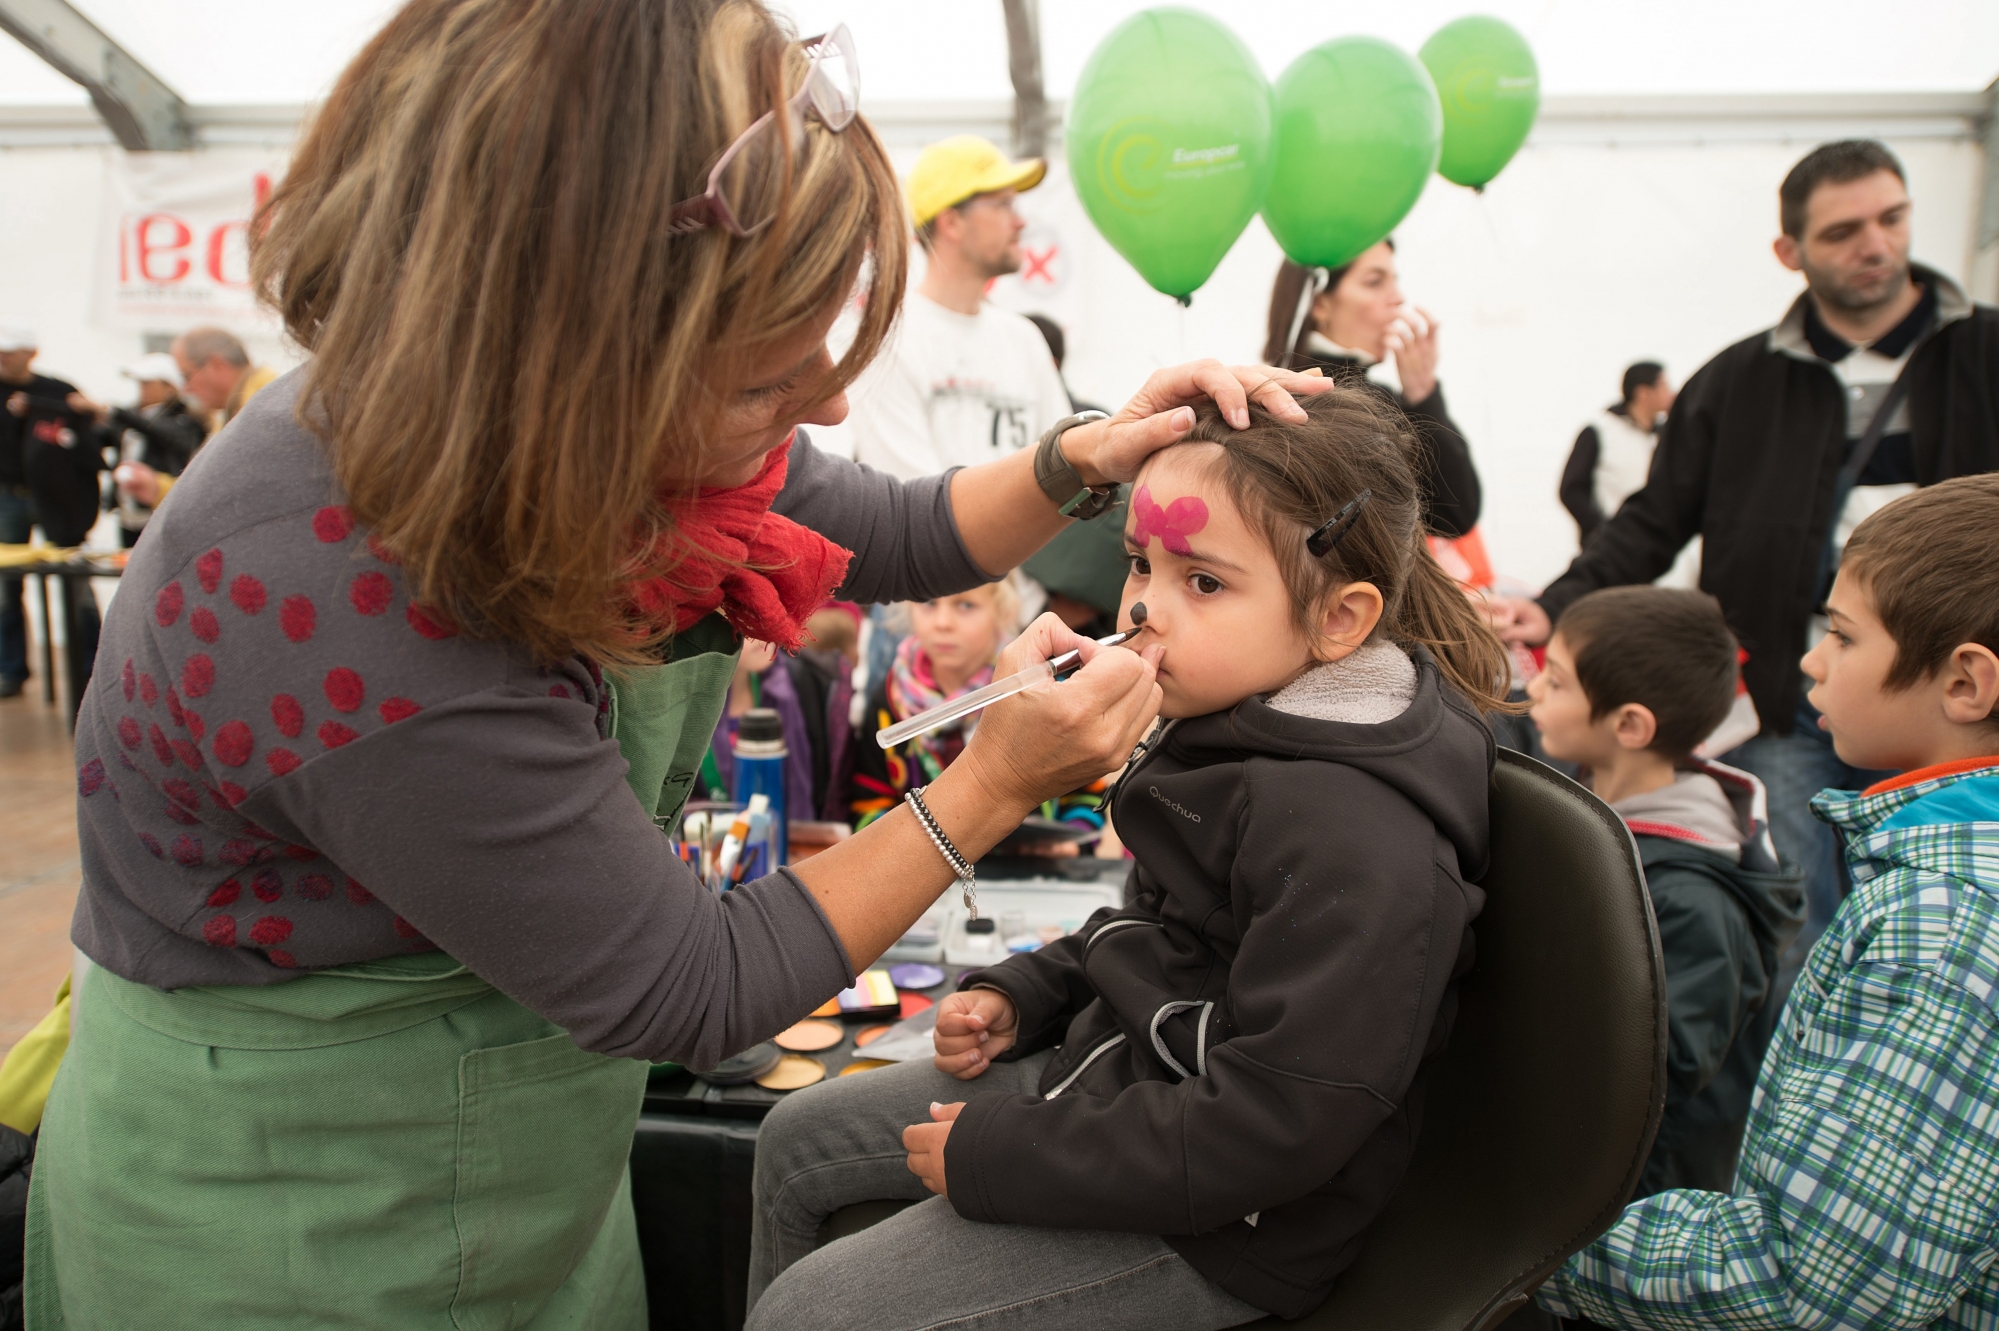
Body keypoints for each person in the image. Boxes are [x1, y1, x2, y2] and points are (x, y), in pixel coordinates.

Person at [25, 3, 1332, 1324]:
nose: (823, 401)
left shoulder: (619, 434)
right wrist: (992, 780)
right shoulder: (332, 594)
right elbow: (688, 983)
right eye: (765, 383)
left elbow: (887, 525)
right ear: (573, 365)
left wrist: (1082, 456)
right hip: (291, 1213)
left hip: (525, 1155)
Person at [746, 387, 1510, 1330]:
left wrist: (1012, 1156)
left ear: (1340, 620)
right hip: (1116, 1081)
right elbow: (1162, 933)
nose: (1144, 607)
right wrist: (1028, 991)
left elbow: (1276, 1123)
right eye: (1140, 564)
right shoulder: (1235, 722)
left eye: (1204, 582)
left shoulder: (1356, 839)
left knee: (809, 1312)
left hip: (1225, 1218)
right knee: (791, 1140)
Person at [1491, 139, 1999, 1003]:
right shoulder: (1735, 381)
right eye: (1842, 231)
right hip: (1785, 688)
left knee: (1952, 923)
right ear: (1789, 252)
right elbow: (1655, 516)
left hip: (1958, 704)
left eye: (1890, 218)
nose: (1874, 244)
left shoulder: (1985, 353)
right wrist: (1556, 604)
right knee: (1799, 925)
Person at [1538, 475, 1999, 1330]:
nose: (1812, 659)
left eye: (1842, 635)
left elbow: (1809, 1277)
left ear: (1966, 684)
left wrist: (1517, 1237)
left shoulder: (1943, 921)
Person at [1526, 587, 1802, 1206]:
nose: (1535, 689)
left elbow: (1658, 1070)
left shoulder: (1692, 898)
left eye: (1559, 681)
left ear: (1628, 725)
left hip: (1637, 1195)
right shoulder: (1585, 798)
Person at [844, 135, 1073, 479]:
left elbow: (1066, 474)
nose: (1020, 221)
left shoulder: (1025, 340)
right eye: (1003, 205)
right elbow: (912, 508)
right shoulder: (889, 344)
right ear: (950, 223)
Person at [1263, 244, 1482, 538]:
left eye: (1395, 280)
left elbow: (1456, 514)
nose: (1398, 298)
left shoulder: (1383, 398)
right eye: (1375, 282)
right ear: (1319, 304)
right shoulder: (1285, 401)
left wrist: (1423, 394)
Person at [848, 579, 1018, 827]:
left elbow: (1081, 786)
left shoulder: (1031, 688)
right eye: (928, 602)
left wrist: (1071, 843)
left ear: (1001, 611)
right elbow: (867, 805)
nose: (943, 623)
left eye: (966, 605)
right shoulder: (890, 698)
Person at [0, 329, 104, 700]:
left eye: (10, 352)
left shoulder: (57, 390)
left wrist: (85, 410)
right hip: (8, 497)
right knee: (5, 587)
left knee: (76, 577)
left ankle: (94, 667)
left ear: (30, 352)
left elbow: (92, 428)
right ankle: (9, 670)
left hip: (59, 498)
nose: (4, 358)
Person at [113, 327, 275, 514]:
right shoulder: (242, 409)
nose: (186, 389)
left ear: (217, 365)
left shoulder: (261, 414)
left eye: (186, 376)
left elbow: (232, 501)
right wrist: (157, 489)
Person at [66, 352, 209, 548]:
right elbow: (102, 439)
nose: (141, 389)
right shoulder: (131, 415)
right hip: (127, 510)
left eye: (147, 383)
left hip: (159, 509)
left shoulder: (183, 419)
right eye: (140, 384)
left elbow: (164, 435)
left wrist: (112, 412)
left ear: (169, 387)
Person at [1558, 362, 1676, 545]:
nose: (1672, 393)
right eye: (1664, 385)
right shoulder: (1600, 431)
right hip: (1615, 549)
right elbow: (1572, 490)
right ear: (1644, 393)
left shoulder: (1665, 434)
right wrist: (1602, 532)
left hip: (1659, 547)